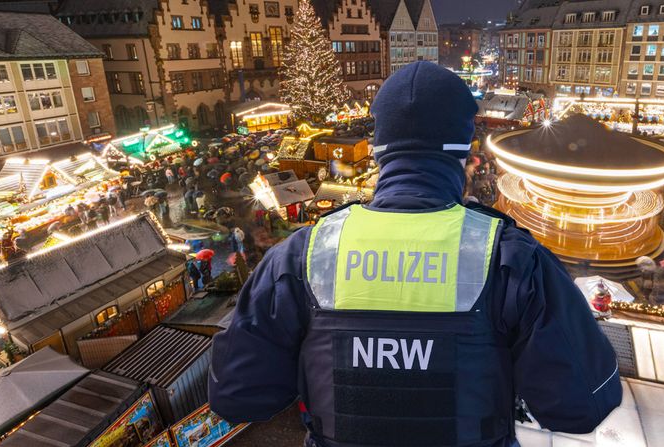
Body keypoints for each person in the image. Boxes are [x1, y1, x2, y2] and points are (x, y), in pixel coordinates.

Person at [208, 62, 621, 447]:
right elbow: (583, 405)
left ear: (377, 150)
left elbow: (236, 395)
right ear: (465, 154)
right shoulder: (513, 259)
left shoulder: (302, 256)